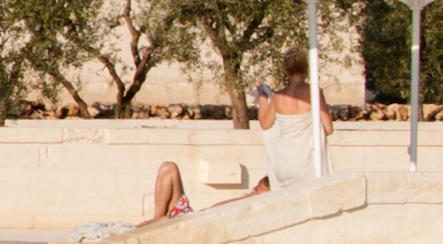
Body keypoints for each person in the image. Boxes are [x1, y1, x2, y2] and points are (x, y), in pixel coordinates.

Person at [259, 53, 333, 189]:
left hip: (284, 164)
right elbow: (328, 128)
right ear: (307, 69)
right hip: (309, 165)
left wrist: (263, 98)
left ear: (287, 71)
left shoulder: (278, 97)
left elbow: (265, 124)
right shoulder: (314, 93)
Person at [138, 163, 267, 228]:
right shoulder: (246, 200)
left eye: (258, 191)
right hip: (191, 216)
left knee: (166, 221)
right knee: (168, 168)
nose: (254, 190)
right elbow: (213, 208)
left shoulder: (255, 208)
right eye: (255, 188)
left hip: (192, 225)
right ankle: (156, 221)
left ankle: (152, 225)